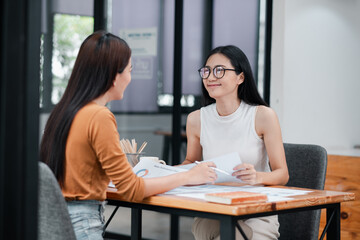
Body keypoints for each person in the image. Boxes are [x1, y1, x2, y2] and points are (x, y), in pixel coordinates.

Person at [40, 30, 217, 240]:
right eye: (130, 70)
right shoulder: (99, 116)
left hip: (53, 221)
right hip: (82, 226)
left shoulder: (64, 112)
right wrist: (189, 176)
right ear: (115, 75)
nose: (130, 78)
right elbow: (131, 189)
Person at [182, 45, 289, 240]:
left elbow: (282, 174)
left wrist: (257, 177)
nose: (211, 77)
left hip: (255, 210)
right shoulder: (196, 119)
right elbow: (191, 161)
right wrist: (170, 172)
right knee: (207, 231)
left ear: (240, 77)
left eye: (219, 70)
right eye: (206, 71)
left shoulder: (263, 116)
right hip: (214, 207)